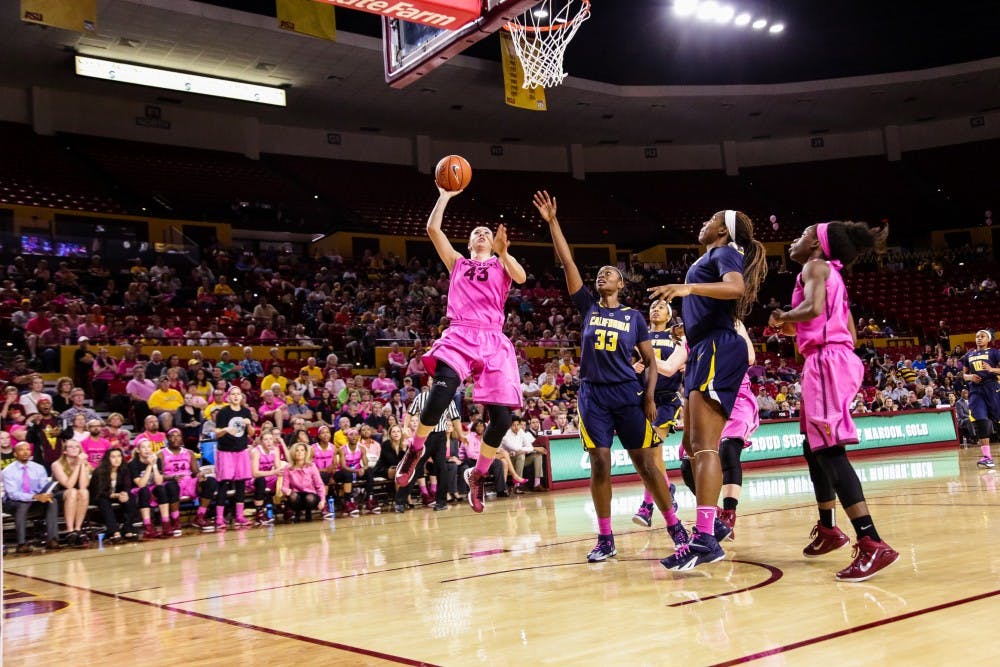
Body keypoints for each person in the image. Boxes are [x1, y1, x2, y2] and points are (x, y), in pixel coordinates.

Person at [535, 190, 685, 562]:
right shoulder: (587, 306)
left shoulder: (634, 317)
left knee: (647, 465)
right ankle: (605, 538)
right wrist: (553, 222)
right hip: (593, 395)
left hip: (628, 395)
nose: (603, 275)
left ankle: (675, 527)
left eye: (611, 274)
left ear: (621, 285)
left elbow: (651, 363)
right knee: (600, 461)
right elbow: (567, 261)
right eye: (600, 273)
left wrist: (648, 396)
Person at [769, 220, 899, 582]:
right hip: (833, 359)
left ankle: (872, 542)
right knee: (813, 448)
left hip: (827, 361)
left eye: (801, 233)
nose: (795, 239)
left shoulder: (815, 266)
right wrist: (790, 324)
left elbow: (810, 310)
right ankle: (828, 529)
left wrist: (783, 315)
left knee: (828, 450)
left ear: (815, 245)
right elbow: (845, 329)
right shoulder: (829, 273)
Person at [394, 184, 526, 515]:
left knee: (503, 418)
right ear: (468, 243)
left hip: (494, 340)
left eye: (486, 232)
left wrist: (505, 251)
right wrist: (445, 195)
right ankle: (415, 449)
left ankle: (478, 474)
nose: (482, 234)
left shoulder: (500, 266)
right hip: (461, 334)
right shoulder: (457, 263)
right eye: (476, 233)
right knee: (441, 394)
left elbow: (521, 278)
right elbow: (432, 229)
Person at [649, 208, 767, 571]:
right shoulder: (712, 255)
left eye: (709, 219)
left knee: (704, 448)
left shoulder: (724, 251)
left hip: (717, 346)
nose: (702, 222)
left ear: (722, 230)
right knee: (691, 449)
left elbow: (736, 287)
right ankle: (708, 530)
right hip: (703, 348)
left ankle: (704, 538)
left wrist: (687, 287)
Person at [632, 300, 687, 528]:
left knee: (650, 451)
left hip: (665, 399)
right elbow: (630, 363)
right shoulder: (639, 337)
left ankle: (647, 506)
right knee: (651, 457)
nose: (656, 309)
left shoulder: (677, 336)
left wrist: (686, 364)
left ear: (669, 315)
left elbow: (688, 359)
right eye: (653, 306)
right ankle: (667, 490)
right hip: (642, 398)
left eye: (661, 307)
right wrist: (632, 368)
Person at [2, 441, 61, 552]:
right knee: (22, 504)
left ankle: (52, 539)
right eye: (21, 450)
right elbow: (13, 494)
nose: (25, 452)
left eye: (28, 449)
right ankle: (21, 543)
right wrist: (34, 496)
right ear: (15, 454)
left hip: (35, 501)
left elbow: (43, 486)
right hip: (13, 503)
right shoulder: (7, 471)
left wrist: (46, 493)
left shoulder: (38, 468)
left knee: (52, 501)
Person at [212, 387, 255, 530]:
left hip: (241, 450)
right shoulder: (223, 413)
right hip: (225, 452)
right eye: (233, 394)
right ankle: (219, 517)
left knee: (241, 484)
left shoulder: (245, 411)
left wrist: (249, 424)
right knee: (224, 483)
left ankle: (240, 516)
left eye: (238, 394)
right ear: (228, 397)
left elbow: (251, 433)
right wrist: (225, 430)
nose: (236, 396)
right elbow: (216, 434)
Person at [161, 428, 214, 534]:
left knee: (210, 482)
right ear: (168, 438)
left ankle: (200, 516)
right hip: (172, 482)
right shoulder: (161, 454)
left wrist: (200, 476)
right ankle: (176, 520)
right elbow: (159, 475)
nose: (176, 438)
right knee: (172, 486)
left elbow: (195, 471)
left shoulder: (189, 453)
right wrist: (172, 478)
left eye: (178, 436)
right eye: (172, 436)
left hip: (189, 482)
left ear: (182, 438)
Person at [959, 329, 1000, 468]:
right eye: (977, 336)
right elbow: (964, 375)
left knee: (997, 418)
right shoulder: (969, 355)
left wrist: (992, 370)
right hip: (976, 389)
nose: (979, 338)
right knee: (981, 420)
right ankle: (987, 457)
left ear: (988, 339)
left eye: (982, 336)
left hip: (992, 387)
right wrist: (970, 377)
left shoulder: (995, 353)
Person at [89, 447, 139, 543]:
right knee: (104, 502)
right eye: (113, 457)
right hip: (100, 497)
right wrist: (116, 495)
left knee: (131, 498)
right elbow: (99, 492)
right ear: (108, 459)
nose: (117, 459)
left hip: (117, 495)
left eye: (119, 456)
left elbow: (127, 486)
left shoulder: (124, 470)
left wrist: (125, 494)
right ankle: (114, 532)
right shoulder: (99, 471)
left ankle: (127, 529)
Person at [129, 439, 176, 539]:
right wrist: (149, 466)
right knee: (144, 490)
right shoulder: (133, 463)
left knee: (161, 488)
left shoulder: (157, 460)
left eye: (149, 447)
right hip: (137, 491)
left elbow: (159, 482)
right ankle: (148, 526)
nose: (147, 449)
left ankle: (166, 523)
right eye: (143, 447)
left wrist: (154, 464)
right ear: (138, 450)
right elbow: (141, 484)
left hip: (152, 487)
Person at [51, 439, 92, 546]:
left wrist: (82, 465)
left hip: (77, 494)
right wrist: (78, 465)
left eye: (77, 446)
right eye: (71, 447)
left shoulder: (85, 464)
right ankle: (70, 530)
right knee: (72, 491)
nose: (74, 449)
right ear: (65, 451)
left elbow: (83, 485)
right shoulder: (57, 464)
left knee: (84, 492)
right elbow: (68, 485)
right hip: (58, 496)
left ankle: (78, 529)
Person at [276, 442, 326, 522]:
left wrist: (323, 500)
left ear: (305, 453)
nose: (299, 452)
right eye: (297, 450)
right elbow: (284, 487)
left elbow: (319, 485)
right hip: (296, 494)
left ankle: (308, 512)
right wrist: (288, 491)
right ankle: (297, 512)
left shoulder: (311, 466)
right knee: (293, 496)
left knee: (309, 498)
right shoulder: (288, 468)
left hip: (310, 494)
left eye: (302, 450)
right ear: (293, 453)